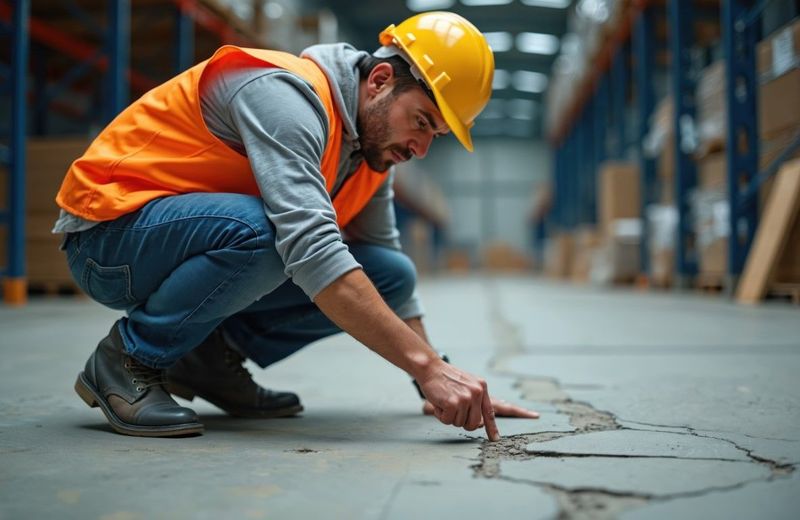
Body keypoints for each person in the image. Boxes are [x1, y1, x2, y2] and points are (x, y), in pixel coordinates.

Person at [55, 11, 539, 439]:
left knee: (390, 270)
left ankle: (203, 360)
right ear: (381, 80)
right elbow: (309, 246)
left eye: (434, 134)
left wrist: (438, 381)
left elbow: (388, 279)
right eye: (421, 121)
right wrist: (428, 367)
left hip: (179, 242)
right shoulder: (286, 95)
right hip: (109, 237)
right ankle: (125, 360)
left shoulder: (368, 155)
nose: (421, 148)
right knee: (274, 234)